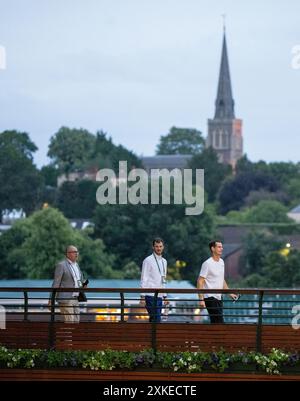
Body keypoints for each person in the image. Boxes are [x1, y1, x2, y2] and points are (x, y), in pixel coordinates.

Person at [197, 240, 238, 324]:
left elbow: (221, 279)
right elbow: (200, 281)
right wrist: (201, 299)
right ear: (213, 249)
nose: (221, 249)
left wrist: (230, 293)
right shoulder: (207, 263)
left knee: (215, 322)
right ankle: (221, 336)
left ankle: (213, 337)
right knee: (219, 322)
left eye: (222, 247)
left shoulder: (222, 262)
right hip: (210, 297)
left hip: (219, 297)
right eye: (219, 247)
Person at [48, 245, 86, 323]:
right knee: (69, 322)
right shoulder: (61, 265)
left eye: (77, 252)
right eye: (74, 252)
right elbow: (56, 283)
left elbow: (77, 280)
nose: (77, 254)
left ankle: (71, 335)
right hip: (65, 298)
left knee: (76, 322)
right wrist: (50, 300)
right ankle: (66, 335)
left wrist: (83, 285)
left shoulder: (76, 265)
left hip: (76, 298)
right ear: (68, 254)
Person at [140, 238, 169, 322]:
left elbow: (163, 280)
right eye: (156, 246)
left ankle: (150, 335)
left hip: (160, 296)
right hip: (150, 295)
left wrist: (165, 296)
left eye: (160, 246)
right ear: (153, 247)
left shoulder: (164, 261)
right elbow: (143, 278)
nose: (159, 248)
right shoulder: (147, 260)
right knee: (157, 319)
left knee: (154, 319)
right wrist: (142, 297)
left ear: (163, 247)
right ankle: (156, 335)